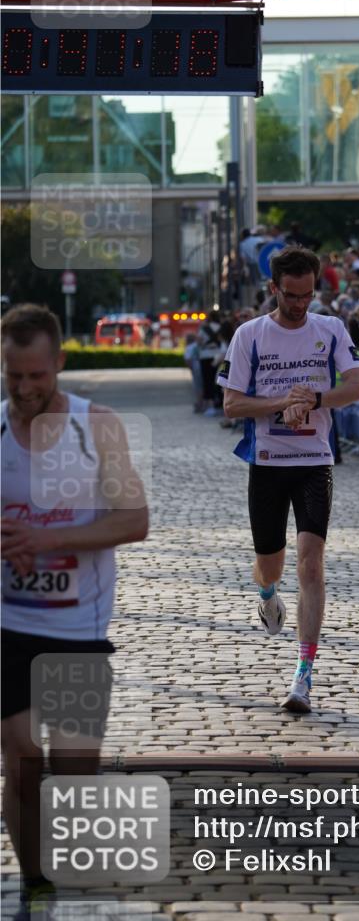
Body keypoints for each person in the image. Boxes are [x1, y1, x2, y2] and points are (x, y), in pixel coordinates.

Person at [1, 304, 149, 921]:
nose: (27, 388)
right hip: (8, 625)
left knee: (72, 767)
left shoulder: (99, 426)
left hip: (78, 628)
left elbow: (134, 520)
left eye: (37, 375)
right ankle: (35, 882)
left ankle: (62, 868)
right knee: (20, 756)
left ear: (59, 363)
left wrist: (49, 541)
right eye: (14, 377)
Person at [219, 247, 359, 714]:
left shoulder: (331, 329)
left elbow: (358, 387)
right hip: (267, 463)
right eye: (292, 295)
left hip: (313, 459)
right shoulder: (250, 335)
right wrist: (282, 402)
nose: (301, 304)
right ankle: (266, 596)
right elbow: (231, 404)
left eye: (308, 295)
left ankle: (303, 674)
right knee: (272, 566)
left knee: (311, 563)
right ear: (274, 289)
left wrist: (317, 397)